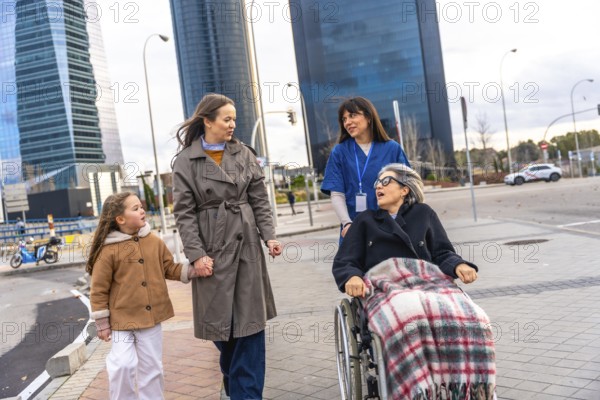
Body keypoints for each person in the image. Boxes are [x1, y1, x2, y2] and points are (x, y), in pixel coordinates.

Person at [333, 163, 495, 399]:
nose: (378, 185)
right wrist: (353, 277)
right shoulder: (365, 221)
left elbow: (442, 252)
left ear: (404, 189)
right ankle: (417, 389)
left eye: (386, 181)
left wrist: (459, 265)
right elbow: (346, 260)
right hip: (385, 287)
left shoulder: (424, 214)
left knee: (475, 317)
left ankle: (465, 389)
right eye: (377, 182)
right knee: (409, 313)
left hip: (428, 282)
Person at [171, 93, 283, 399]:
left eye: (234, 118)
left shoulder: (244, 153)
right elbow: (183, 213)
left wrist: (269, 236)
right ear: (207, 121)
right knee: (224, 332)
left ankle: (245, 394)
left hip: (246, 244)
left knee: (250, 329)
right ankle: (235, 387)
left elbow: (259, 199)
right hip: (211, 249)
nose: (233, 124)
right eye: (226, 118)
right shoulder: (185, 161)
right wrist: (196, 256)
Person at [87, 192, 202, 399]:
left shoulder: (154, 242)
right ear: (120, 219)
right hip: (121, 321)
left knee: (152, 369)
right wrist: (102, 323)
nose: (142, 211)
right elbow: (98, 289)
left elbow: (169, 268)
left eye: (141, 206)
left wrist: (192, 271)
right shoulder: (108, 251)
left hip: (151, 318)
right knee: (122, 364)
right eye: (135, 208)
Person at [321, 96, 410, 239]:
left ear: (369, 117)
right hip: (355, 229)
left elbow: (407, 188)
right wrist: (347, 224)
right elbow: (337, 194)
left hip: (391, 227)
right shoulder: (339, 152)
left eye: (352, 115)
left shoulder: (392, 149)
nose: (347, 122)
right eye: (344, 119)